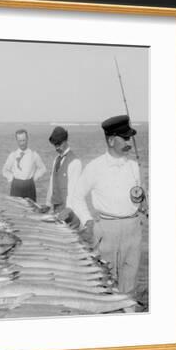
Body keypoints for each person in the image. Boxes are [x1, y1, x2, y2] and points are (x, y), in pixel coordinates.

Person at [66, 115, 143, 294]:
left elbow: (142, 198)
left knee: (129, 285)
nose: (128, 141)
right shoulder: (95, 167)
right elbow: (77, 197)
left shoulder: (135, 166)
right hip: (106, 229)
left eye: (129, 137)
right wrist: (88, 222)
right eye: (124, 138)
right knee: (105, 282)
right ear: (110, 140)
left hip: (133, 230)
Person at [45, 126, 82, 214]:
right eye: (55, 145)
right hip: (56, 209)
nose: (56, 148)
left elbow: (73, 190)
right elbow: (52, 184)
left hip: (69, 210)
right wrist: (48, 204)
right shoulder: (56, 160)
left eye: (59, 144)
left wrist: (68, 210)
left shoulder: (75, 162)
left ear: (65, 141)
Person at [2, 129, 46, 201]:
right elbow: (5, 170)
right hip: (16, 186)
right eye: (20, 141)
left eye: (24, 140)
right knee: (16, 208)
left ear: (27, 139)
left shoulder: (33, 154)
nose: (22, 143)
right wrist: (12, 179)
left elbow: (42, 168)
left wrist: (34, 178)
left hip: (29, 186)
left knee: (31, 209)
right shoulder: (13, 155)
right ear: (16, 141)